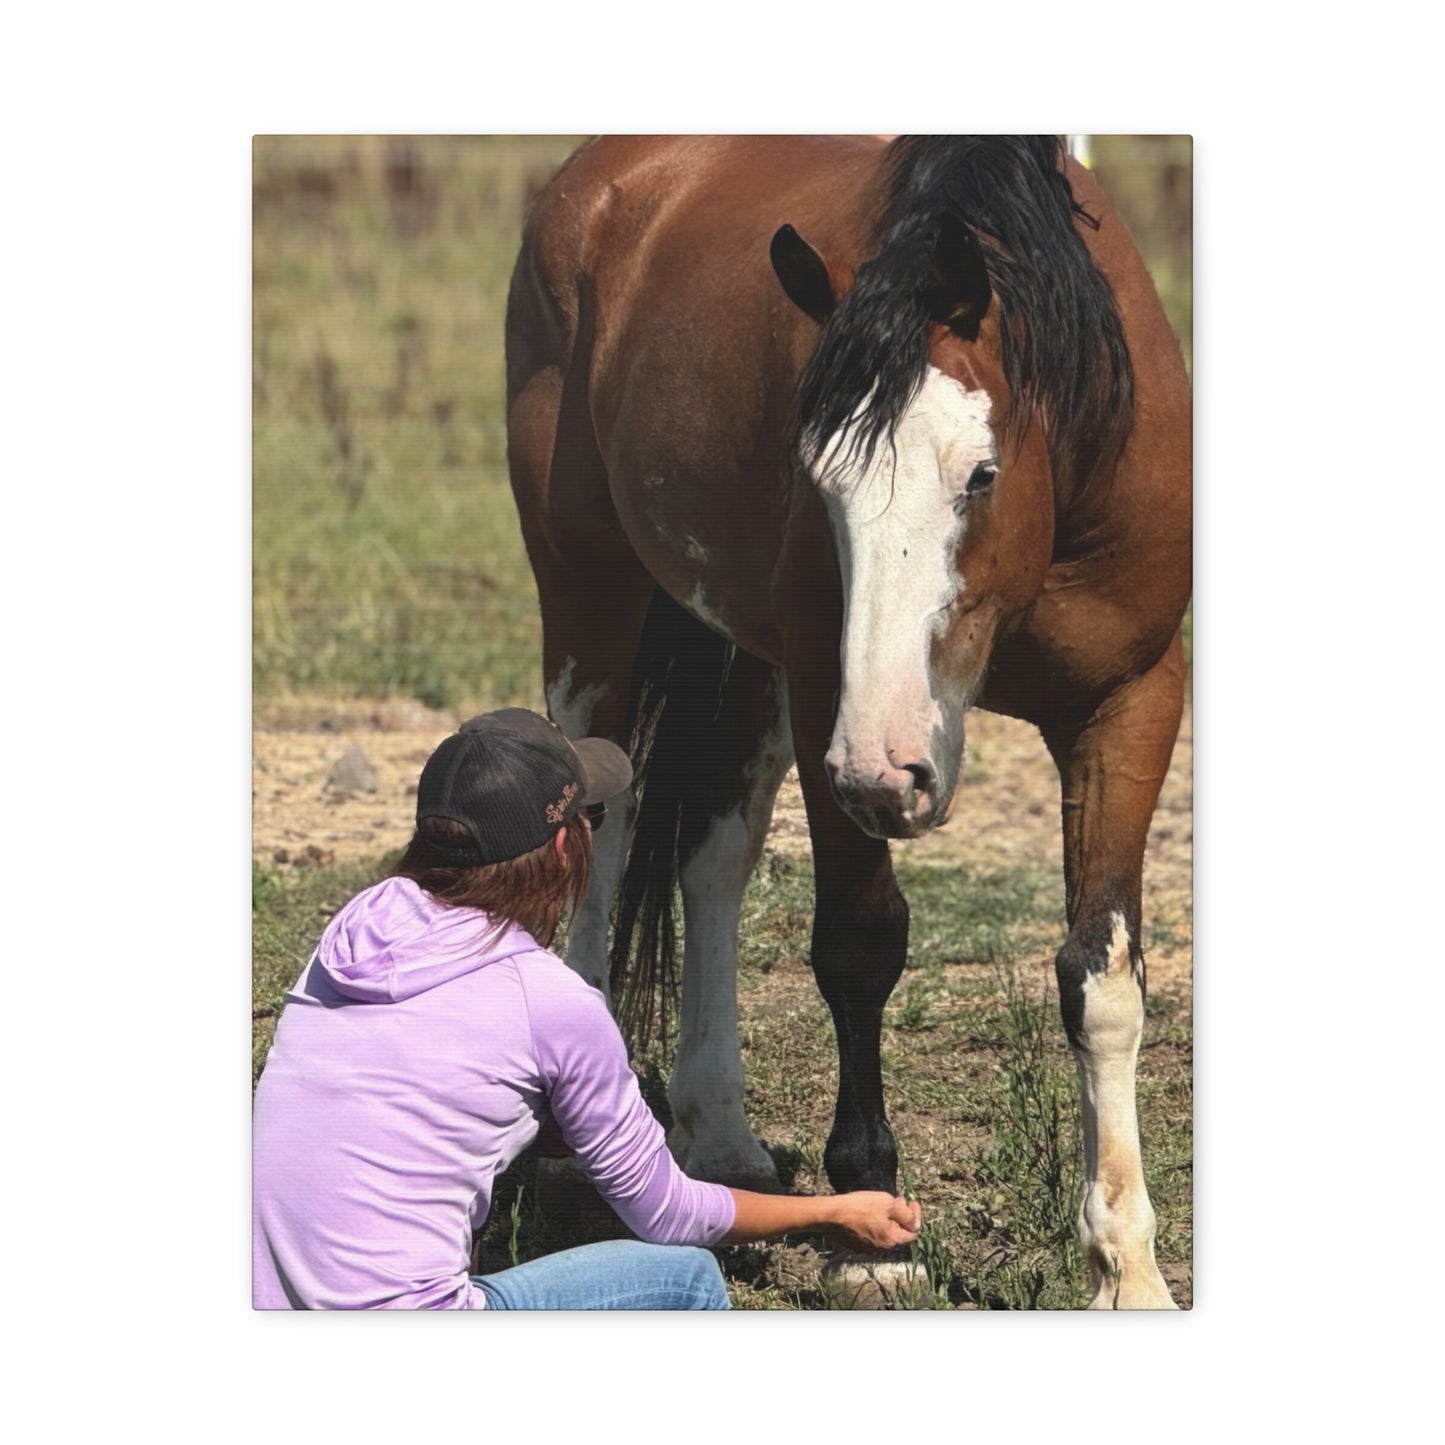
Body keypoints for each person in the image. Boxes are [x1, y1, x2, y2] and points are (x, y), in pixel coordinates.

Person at [253, 708, 921, 1309]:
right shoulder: (549, 1000)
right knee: (687, 1278)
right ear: (566, 845)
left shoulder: (351, 932)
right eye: (589, 817)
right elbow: (667, 1213)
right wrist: (833, 1210)